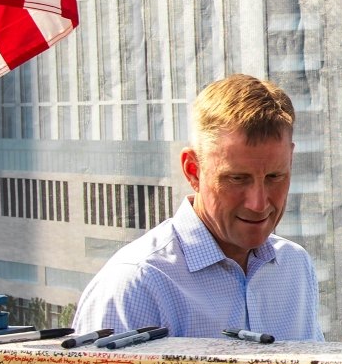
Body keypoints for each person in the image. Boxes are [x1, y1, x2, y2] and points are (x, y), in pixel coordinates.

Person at [72, 74, 323, 341]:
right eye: (237, 179)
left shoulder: (295, 266)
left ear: (291, 161)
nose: (258, 204)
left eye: (275, 177)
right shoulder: (137, 285)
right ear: (193, 170)